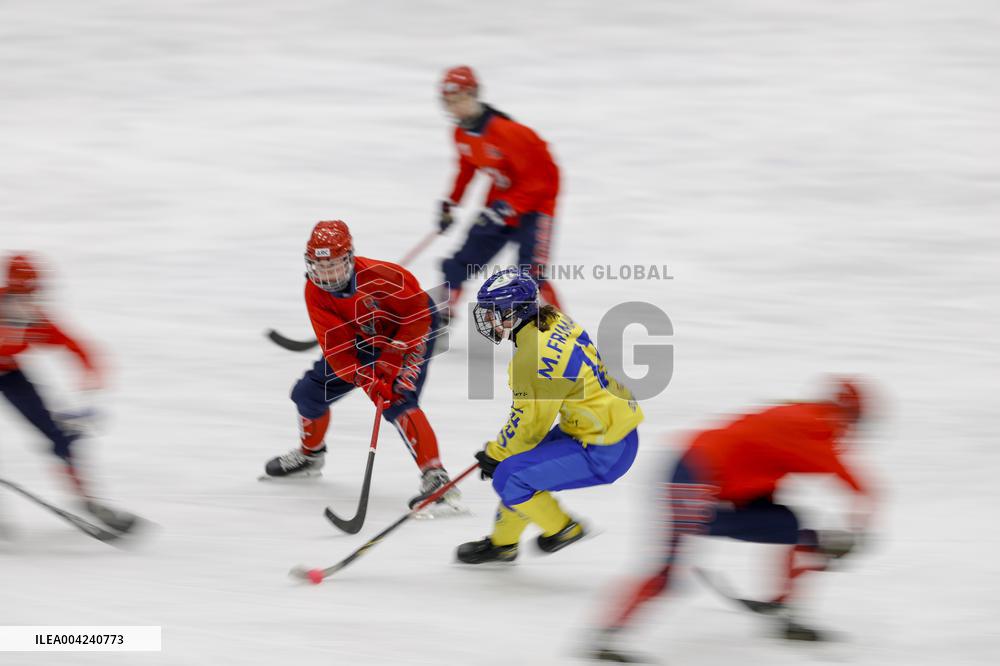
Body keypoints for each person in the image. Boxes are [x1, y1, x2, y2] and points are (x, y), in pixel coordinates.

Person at [590, 380, 876, 662]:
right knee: (667, 573)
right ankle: (606, 637)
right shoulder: (814, 427)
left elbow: (762, 459)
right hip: (693, 478)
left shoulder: (802, 416)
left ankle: (784, 613)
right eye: (856, 424)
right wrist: (858, 530)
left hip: (706, 476)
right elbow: (856, 484)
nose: (852, 434)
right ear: (848, 415)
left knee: (792, 528)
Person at [264, 220, 459, 509]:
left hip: (412, 331)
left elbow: (418, 316)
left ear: (350, 258)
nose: (326, 274)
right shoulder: (315, 292)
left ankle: (436, 477)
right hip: (363, 338)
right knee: (309, 392)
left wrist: (394, 354)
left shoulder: (385, 275)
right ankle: (310, 456)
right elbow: (338, 351)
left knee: (397, 398)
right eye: (320, 267)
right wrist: (364, 377)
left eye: (333, 265)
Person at [456, 268, 643, 563]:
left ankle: (564, 529)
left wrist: (497, 454)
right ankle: (504, 544)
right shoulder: (552, 318)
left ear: (516, 312)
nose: (489, 319)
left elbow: (529, 425)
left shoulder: (533, 358)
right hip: (602, 429)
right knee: (518, 468)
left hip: (603, 449)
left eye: (495, 312)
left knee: (510, 476)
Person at [0, 252, 135, 532]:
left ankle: (86, 498)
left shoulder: (35, 321)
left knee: (59, 434)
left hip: (10, 374)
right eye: (20, 291)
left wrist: (89, 371)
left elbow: (75, 345)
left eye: (33, 292)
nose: (27, 299)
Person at [434, 65, 563, 322]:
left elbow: (546, 180)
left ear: (474, 94)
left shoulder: (509, 133)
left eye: (460, 99)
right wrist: (452, 202)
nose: (455, 108)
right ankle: (444, 316)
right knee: (461, 261)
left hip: (535, 208)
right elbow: (467, 168)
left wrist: (509, 206)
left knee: (531, 275)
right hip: (500, 206)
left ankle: (564, 330)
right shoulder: (461, 133)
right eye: (448, 102)